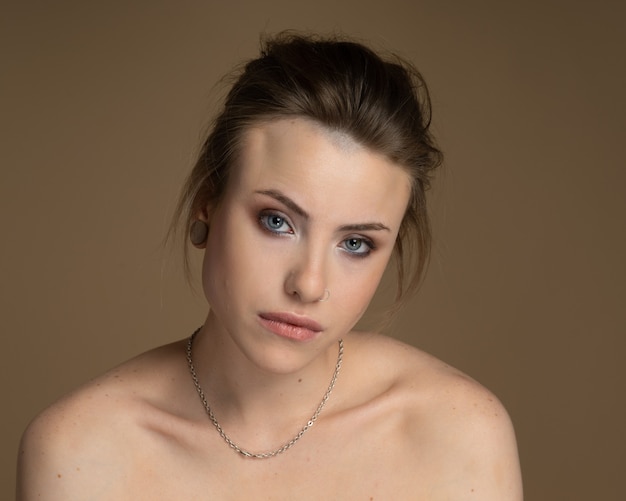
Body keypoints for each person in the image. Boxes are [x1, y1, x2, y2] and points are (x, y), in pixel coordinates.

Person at [17, 33, 523, 500]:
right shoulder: (79, 455)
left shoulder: (458, 433)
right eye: (277, 221)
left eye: (356, 244)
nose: (308, 284)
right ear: (206, 205)